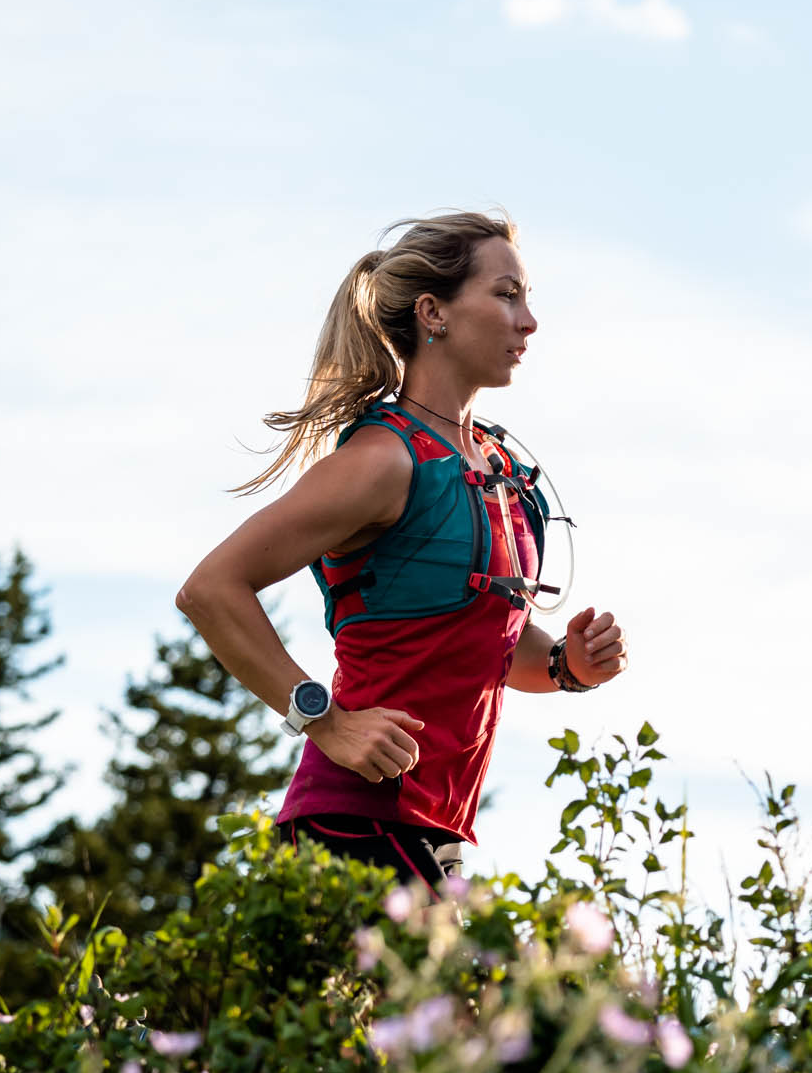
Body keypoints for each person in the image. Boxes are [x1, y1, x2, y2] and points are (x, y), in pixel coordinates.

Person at [176, 211, 627, 894]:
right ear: (432, 312)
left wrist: (567, 663)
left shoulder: (497, 465)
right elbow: (211, 588)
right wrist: (323, 720)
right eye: (507, 294)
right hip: (349, 829)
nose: (528, 320)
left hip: (434, 837)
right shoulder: (383, 460)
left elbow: (486, 643)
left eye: (527, 297)